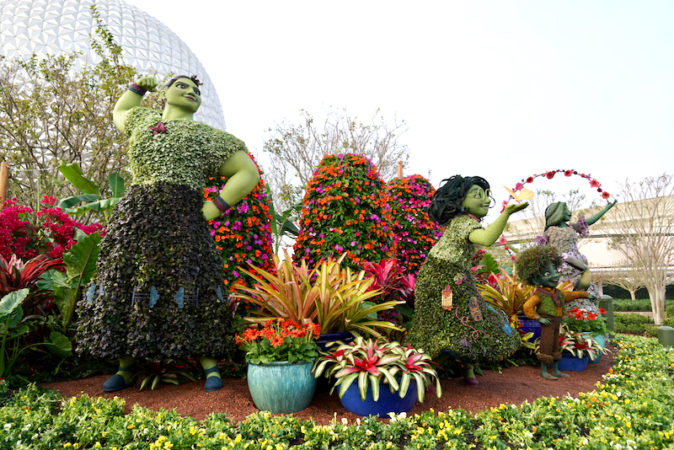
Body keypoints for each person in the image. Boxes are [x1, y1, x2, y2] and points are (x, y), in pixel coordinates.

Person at [76, 75, 259, 393]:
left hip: (183, 215)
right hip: (137, 216)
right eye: (183, 87)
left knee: (191, 281)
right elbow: (121, 111)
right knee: (128, 279)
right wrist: (136, 88)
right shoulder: (142, 120)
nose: (191, 92)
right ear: (166, 92)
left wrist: (212, 208)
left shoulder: (207, 137)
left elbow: (248, 172)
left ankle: (210, 367)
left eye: (196, 91)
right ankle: (125, 367)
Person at [409, 175, 527, 385]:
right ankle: (423, 370)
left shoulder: (467, 223)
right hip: (440, 279)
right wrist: (506, 213)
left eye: (486, 195)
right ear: (459, 201)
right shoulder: (463, 223)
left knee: (475, 312)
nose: (484, 200)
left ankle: (469, 367)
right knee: (445, 320)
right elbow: (487, 239)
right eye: (476, 195)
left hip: (458, 276)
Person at [516, 245, 591, 380]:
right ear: (535, 280)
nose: (555, 275)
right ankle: (544, 371)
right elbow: (528, 306)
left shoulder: (557, 293)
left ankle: (555, 370)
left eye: (555, 271)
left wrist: (585, 294)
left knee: (556, 346)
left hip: (557, 322)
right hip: (547, 322)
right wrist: (538, 318)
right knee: (546, 346)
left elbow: (568, 296)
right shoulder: (540, 295)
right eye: (547, 274)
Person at [542, 200, 616, 294]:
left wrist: (606, 208)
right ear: (558, 213)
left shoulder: (572, 227)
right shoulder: (549, 231)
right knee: (564, 289)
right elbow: (543, 250)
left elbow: (589, 221)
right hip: (561, 266)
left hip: (577, 264)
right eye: (566, 210)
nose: (570, 212)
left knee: (583, 286)